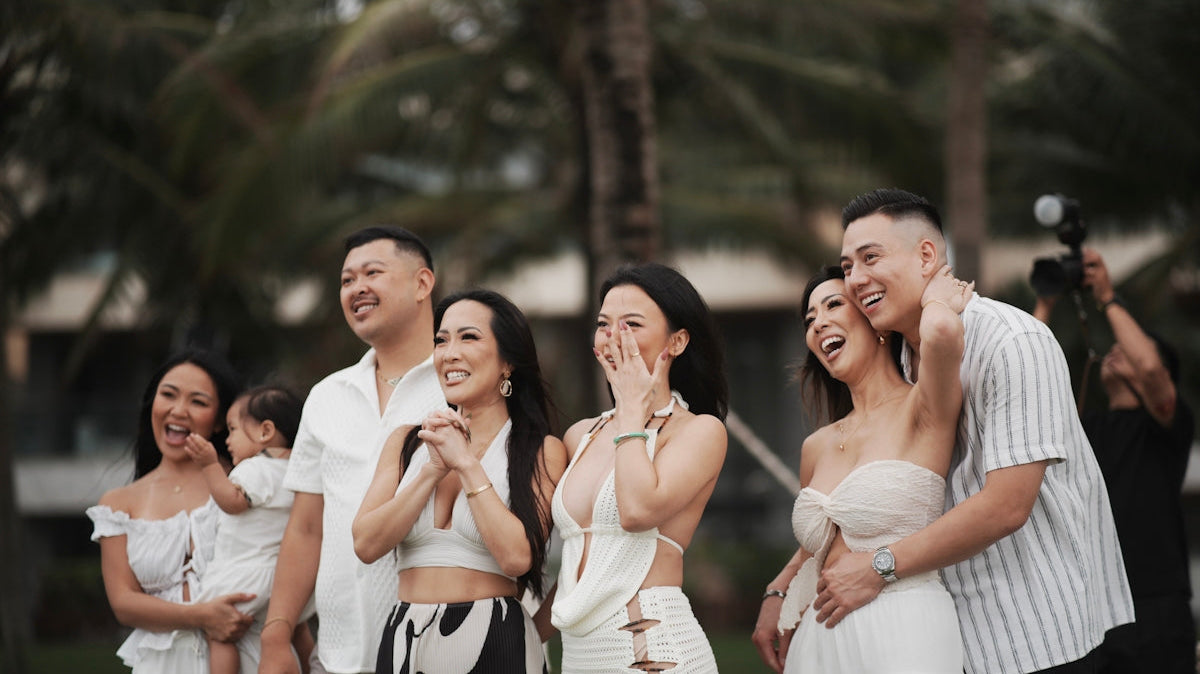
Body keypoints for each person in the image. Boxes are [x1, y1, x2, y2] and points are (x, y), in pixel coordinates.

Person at [811, 188, 1133, 674]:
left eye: (869, 258)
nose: (856, 279)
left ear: (926, 256)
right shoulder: (896, 361)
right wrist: (783, 589)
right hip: (943, 637)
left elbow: (1006, 505)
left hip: (1039, 634)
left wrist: (879, 566)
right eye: (847, 265)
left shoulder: (1013, 341)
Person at [751, 265, 971, 673]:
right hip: (819, 640)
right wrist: (777, 593)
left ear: (876, 324)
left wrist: (936, 296)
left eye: (833, 304)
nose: (819, 323)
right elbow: (813, 548)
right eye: (810, 319)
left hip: (904, 627)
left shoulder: (922, 407)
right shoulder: (815, 446)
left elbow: (941, 335)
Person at [259, 227, 446, 674]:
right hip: (339, 656)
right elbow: (306, 528)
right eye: (346, 280)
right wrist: (277, 630)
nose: (356, 288)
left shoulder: (462, 383)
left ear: (422, 284)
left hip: (444, 649)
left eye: (372, 273)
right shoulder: (326, 396)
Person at [353, 289, 567, 672]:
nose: (449, 352)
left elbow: (517, 558)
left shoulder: (539, 450)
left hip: (493, 637)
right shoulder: (406, 441)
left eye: (468, 337)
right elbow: (367, 543)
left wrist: (466, 463)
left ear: (507, 362)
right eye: (441, 340)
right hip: (406, 636)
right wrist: (431, 471)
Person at [537, 262, 729, 673]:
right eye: (604, 324)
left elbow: (638, 510)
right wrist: (527, 632)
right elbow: (584, 564)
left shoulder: (698, 431)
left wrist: (630, 410)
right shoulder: (580, 435)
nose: (613, 337)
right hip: (579, 655)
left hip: (651, 649)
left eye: (632, 325)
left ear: (676, 342)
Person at [1034, 248, 1196, 673]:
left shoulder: (1166, 424)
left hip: (1155, 603)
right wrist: (1047, 300)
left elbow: (1149, 368)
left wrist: (1106, 295)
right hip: (1092, 607)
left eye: (1137, 349)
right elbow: (1023, 378)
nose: (1118, 352)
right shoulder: (1083, 429)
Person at [86, 350, 255, 672]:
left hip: (251, 655)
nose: (179, 411)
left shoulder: (247, 481)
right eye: (168, 395)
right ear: (152, 403)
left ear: (221, 419)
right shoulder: (119, 503)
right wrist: (203, 616)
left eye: (198, 401)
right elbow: (124, 603)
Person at [184, 385, 316, 673]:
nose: (227, 440)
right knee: (294, 628)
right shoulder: (302, 470)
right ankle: (313, 667)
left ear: (265, 432)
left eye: (232, 429)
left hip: (245, 576)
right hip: (285, 579)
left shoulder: (254, 468)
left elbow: (233, 502)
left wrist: (209, 466)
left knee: (219, 635)